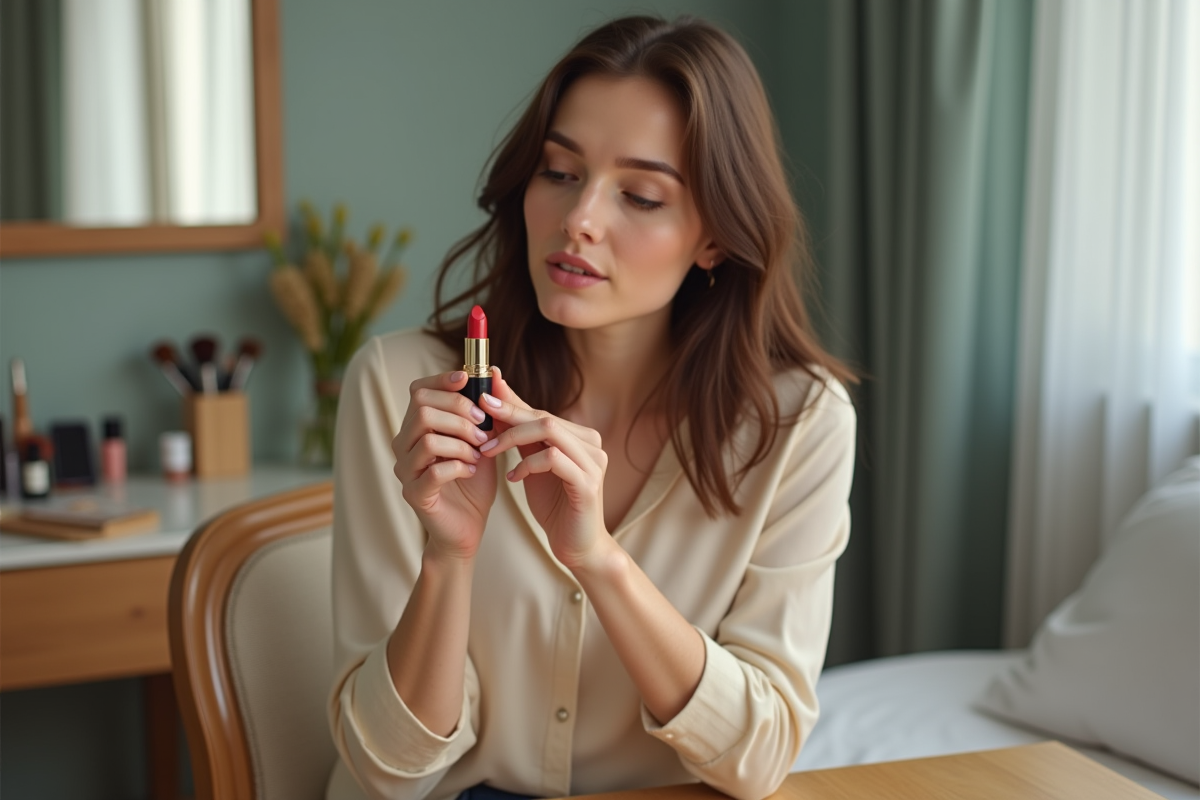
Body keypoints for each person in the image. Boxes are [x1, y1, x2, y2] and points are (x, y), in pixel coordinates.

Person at [326, 15, 856, 800]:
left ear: (714, 237)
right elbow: (385, 770)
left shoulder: (799, 424)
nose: (580, 219)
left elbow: (758, 757)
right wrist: (448, 559)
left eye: (640, 195)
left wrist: (601, 561)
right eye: (560, 172)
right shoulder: (401, 386)